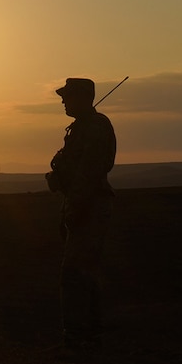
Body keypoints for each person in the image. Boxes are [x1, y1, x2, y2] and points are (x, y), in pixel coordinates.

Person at [45, 77, 117, 349]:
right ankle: (89, 331)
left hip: (89, 206)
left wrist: (75, 207)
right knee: (84, 270)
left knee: (75, 271)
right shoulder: (80, 129)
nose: (63, 101)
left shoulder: (96, 127)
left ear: (83, 98)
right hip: (81, 204)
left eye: (68, 96)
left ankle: (79, 335)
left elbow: (90, 172)